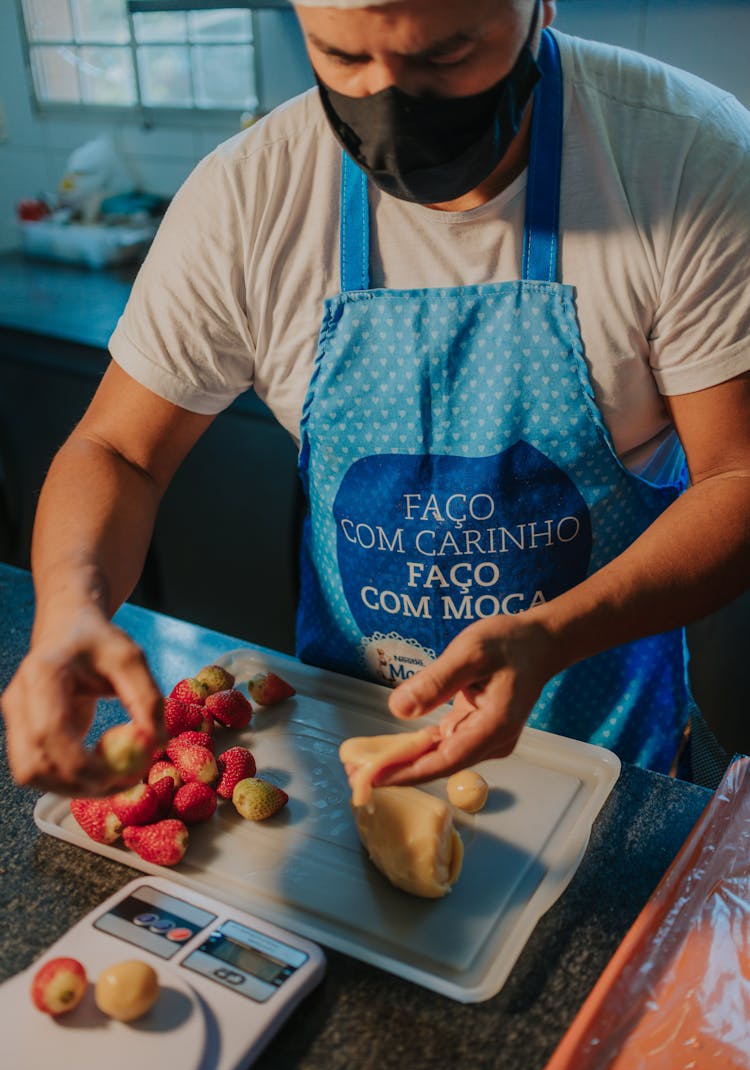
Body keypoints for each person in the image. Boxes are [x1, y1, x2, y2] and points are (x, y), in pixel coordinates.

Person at [2, 0, 749, 796]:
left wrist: (553, 634)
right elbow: (119, 450)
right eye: (342, 57)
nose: (390, 108)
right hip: (350, 744)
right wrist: (69, 610)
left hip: (607, 759)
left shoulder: (684, 158)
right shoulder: (250, 194)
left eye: (449, 53)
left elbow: (736, 479)